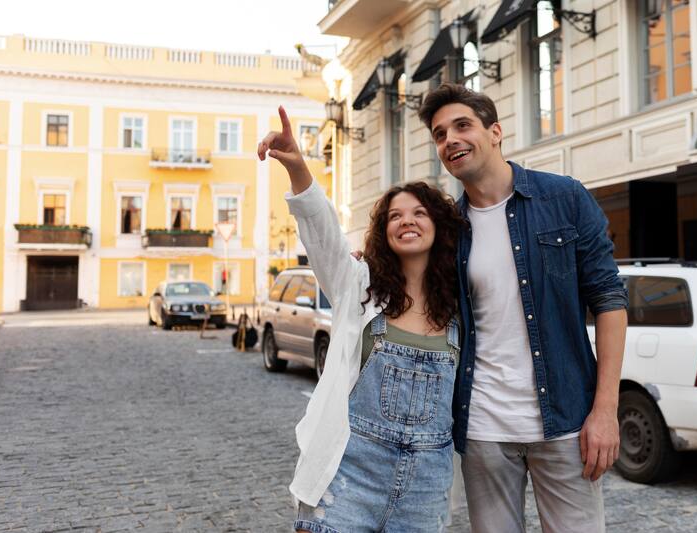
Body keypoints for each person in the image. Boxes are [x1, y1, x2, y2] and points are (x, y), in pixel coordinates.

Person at [417, 83, 628, 532]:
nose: (449, 139)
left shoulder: (565, 198)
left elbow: (609, 300)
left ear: (495, 132)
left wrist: (605, 410)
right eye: (439, 134)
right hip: (483, 428)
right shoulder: (448, 230)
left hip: (567, 420)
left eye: (461, 125)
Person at [258, 106, 465, 532]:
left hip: (426, 487)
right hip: (348, 479)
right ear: (384, 232)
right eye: (395, 215)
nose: (406, 220)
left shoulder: (461, 305)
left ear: (439, 228)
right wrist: (298, 168)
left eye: (419, 213)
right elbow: (323, 237)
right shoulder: (359, 286)